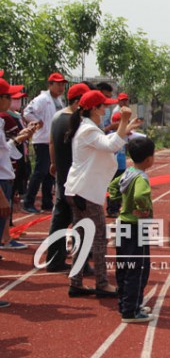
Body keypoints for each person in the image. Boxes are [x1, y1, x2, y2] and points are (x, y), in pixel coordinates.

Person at [64, 90, 143, 297]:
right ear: (93, 109)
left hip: (80, 190)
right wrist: (124, 121)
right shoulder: (88, 130)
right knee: (99, 237)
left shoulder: (89, 128)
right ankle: (102, 283)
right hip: (85, 192)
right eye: (103, 105)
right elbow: (111, 145)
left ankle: (76, 282)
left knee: (83, 238)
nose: (106, 108)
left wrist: (126, 127)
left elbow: (109, 142)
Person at [107, 137, 156, 323]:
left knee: (124, 267)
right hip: (136, 226)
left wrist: (116, 200)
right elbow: (141, 195)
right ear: (149, 159)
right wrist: (142, 208)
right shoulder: (141, 177)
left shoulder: (128, 172)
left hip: (122, 224)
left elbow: (112, 185)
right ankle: (131, 311)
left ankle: (126, 303)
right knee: (138, 269)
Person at [46, 83, 90, 272]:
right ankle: (81, 265)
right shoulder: (76, 122)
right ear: (79, 101)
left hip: (63, 176)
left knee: (60, 220)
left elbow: (51, 143)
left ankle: (54, 259)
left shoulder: (57, 117)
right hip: (77, 179)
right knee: (83, 222)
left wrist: (54, 164)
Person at [22, 72, 67, 213]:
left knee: (50, 172)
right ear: (50, 85)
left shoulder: (60, 100)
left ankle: (47, 202)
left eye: (62, 85)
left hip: (54, 140)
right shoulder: (42, 99)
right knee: (40, 171)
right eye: (58, 84)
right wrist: (37, 122)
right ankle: (28, 201)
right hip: (43, 140)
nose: (61, 87)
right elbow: (27, 112)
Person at [0, 77, 36, 250]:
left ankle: (5, 239)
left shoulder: (2, 121)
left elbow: (4, 149)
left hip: (6, 175)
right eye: (9, 96)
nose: (12, 100)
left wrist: (18, 139)